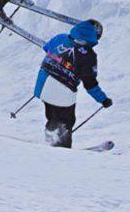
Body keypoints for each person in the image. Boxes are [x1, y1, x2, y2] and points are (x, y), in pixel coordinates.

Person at [33, 19, 110, 148]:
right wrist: (103, 100)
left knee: (52, 116)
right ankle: (62, 149)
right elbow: (90, 83)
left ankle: (51, 140)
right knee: (66, 121)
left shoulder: (60, 37)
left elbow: (47, 48)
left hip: (43, 84)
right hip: (63, 91)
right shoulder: (89, 56)